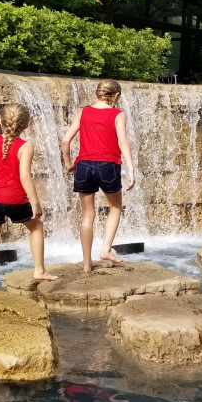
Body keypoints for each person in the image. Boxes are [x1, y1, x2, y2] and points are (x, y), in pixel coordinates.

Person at [0, 103, 58, 296]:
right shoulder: (26, 146)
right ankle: (39, 270)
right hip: (14, 199)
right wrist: (35, 202)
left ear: (0, 121)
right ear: (26, 125)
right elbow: (25, 176)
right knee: (36, 227)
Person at [60, 81, 136, 273]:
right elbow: (122, 141)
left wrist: (69, 163)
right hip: (107, 166)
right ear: (116, 95)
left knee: (87, 215)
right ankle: (106, 249)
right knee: (116, 206)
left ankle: (86, 264)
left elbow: (65, 140)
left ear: (98, 93)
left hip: (83, 166)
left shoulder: (84, 112)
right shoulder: (118, 114)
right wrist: (131, 169)